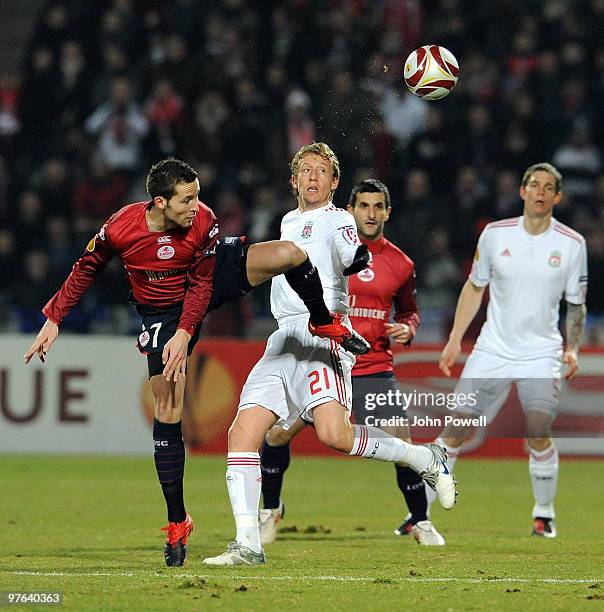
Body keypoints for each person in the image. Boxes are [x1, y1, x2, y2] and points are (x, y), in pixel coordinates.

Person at [24, 157, 369, 568]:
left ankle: (324, 321)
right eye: (187, 199)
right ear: (159, 203)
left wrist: (185, 335)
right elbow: (86, 267)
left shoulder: (203, 220)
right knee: (168, 410)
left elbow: (203, 285)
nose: (197, 205)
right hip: (159, 311)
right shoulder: (120, 227)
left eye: (198, 196)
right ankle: (177, 520)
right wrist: (54, 317)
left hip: (204, 278)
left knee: (290, 253)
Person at [202, 143, 457, 567]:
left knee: (334, 435)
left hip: (323, 337)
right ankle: (248, 543)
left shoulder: (339, 219)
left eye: (322, 171)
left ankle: (422, 457)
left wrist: (356, 255)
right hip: (283, 338)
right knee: (244, 434)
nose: (314, 177)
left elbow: (351, 252)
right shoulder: (287, 221)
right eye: (306, 170)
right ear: (294, 180)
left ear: (335, 182)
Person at [257, 179, 447, 547]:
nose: (371, 214)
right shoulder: (323, 246)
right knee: (276, 434)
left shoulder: (401, 263)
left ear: (388, 212)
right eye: (364, 206)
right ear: (350, 210)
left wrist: (408, 327)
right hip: (322, 358)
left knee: (400, 440)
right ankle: (272, 510)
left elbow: (410, 310)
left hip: (373, 365)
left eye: (379, 206)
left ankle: (420, 520)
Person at [434, 162, 587, 538]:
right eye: (533, 184)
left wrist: (573, 349)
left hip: (541, 352)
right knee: (455, 428)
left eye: (548, 187)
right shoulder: (494, 235)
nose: (539, 191)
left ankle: (544, 514)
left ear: (557, 196)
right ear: (522, 191)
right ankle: (419, 516)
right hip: (493, 348)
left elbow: (576, 304)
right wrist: (456, 339)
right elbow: (474, 287)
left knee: (537, 430)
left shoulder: (572, 244)